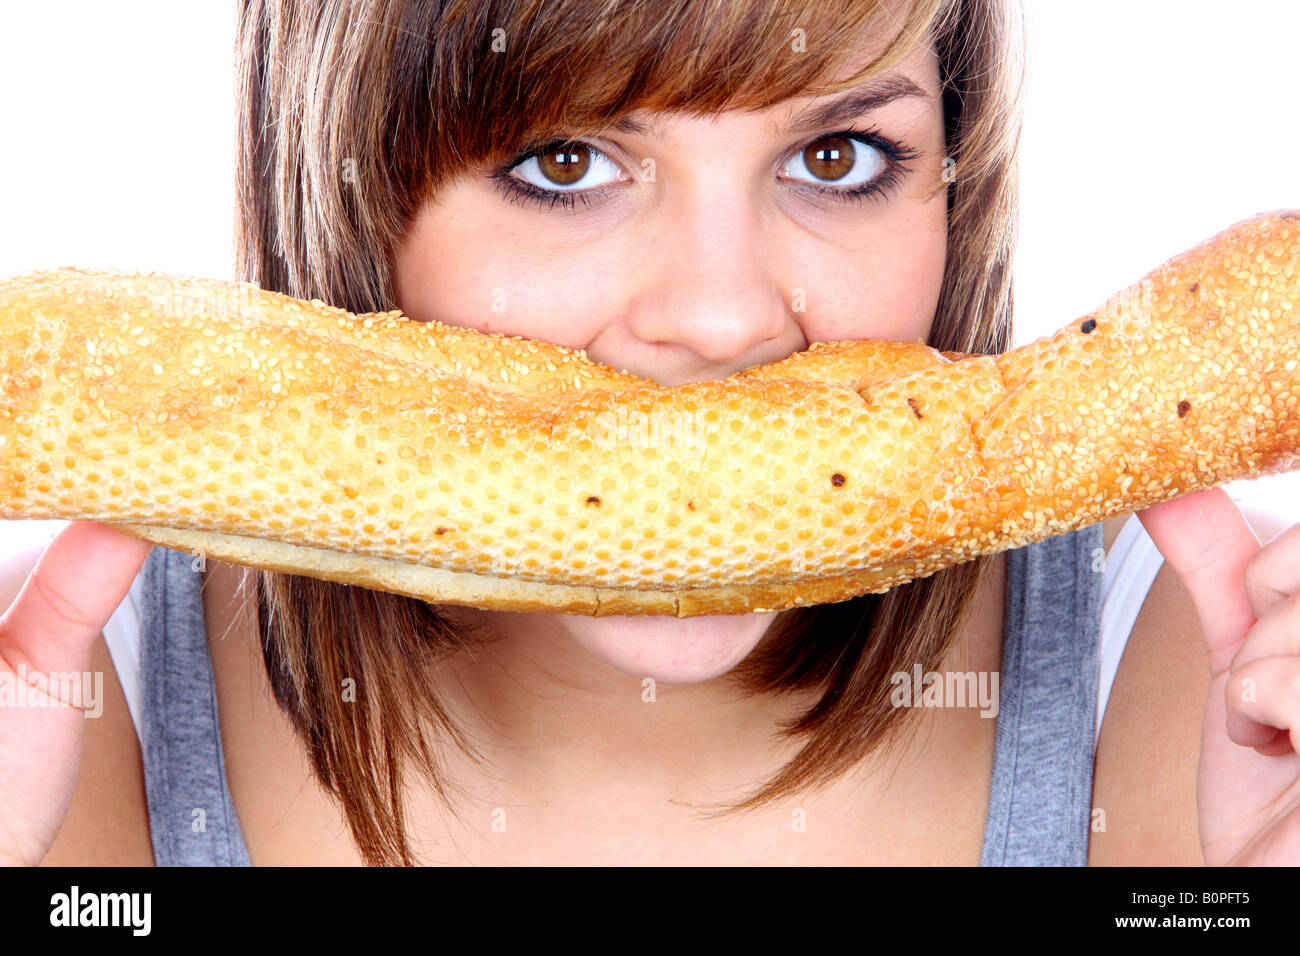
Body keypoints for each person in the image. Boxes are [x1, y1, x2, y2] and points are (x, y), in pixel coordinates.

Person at [4, 0, 1299, 867]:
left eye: (840, 157)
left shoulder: (1214, 672)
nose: (722, 317)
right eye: (565, 163)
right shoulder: (63, 695)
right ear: (355, 200)